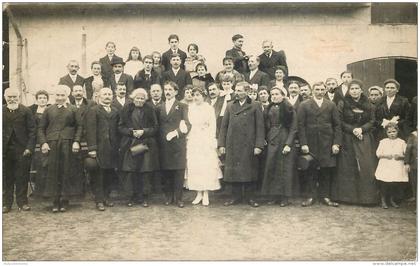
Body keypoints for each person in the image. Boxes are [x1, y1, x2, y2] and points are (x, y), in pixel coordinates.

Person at [218, 81, 265, 207]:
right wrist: (221, 144)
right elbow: (224, 126)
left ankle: (251, 198)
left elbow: (260, 127)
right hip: (233, 143)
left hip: (249, 144)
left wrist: (258, 145)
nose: (237, 93)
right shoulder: (229, 105)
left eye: (239, 91)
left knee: (250, 171)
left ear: (247, 91)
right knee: (235, 171)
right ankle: (235, 197)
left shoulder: (255, 105)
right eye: (236, 90)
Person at [332, 79, 378, 205]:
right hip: (348, 138)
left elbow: (372, 121)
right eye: (352, 89)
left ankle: (366, 199)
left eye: (357, 88)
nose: (354, 91)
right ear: (349, 90)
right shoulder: (342, 103)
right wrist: (353, 130)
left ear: (361, 90)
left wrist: (361, 129)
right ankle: (348, 198)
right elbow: (339, 121)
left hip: (364, 138)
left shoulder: (369, 104)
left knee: (366, 166)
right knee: (347, 167)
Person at [38, 85, 83, 212]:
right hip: (52, 144)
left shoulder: (73, 109)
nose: (60, 98)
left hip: (68, 143)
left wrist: (76, 142)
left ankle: (64, 200)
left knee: (66, 170)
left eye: (62, 95)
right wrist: (43, 143)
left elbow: (79, 126)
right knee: (53, 171)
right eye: (57, 95)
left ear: (67, 96)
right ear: (54, 96)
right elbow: (41, 128)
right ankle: (55, 200)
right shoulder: (48, 110)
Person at [297, 81, 342, 207]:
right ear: (312, 90)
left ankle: (326, 197)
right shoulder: (304, 105)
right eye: (317, 89)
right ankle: (310, 196)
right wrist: (303, 143)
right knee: (310, 170)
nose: (320, 92)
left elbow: (337, 125)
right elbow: (300, 126)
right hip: (311, 142)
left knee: (326, 170)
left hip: (327, 142)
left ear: (325, 90)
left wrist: (336, 143)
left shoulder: (331, 105)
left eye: (322, 89)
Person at [119, 88, 159, 207]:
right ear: (133, 98)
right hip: (129, 144)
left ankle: (143, 197)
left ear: (145, 99)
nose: (139, 100)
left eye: (142, 98)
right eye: (137, 98)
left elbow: (155, 127)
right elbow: (120, 127)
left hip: (146, 143)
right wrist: (131, 132)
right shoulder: (126, 108)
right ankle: (131, 197)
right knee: (131, 171)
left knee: (144, 171)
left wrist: (144, 131)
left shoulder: (150, 109)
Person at [157, 81, 191, 208]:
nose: (167, 92)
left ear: (176, 92)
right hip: (164, 144)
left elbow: (187, 124)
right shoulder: (160, 107)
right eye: (165, 89)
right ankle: (168, 196)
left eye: (170, 89)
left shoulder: (182, 106)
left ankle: (178, 198)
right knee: (166, 171)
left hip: (177, 144)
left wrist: (176, 133)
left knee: (178, 171)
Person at [261, 87, 297, 206]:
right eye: (272, 94)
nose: (274, 96)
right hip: (272, 138)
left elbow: (293, 127)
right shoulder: (269, 107)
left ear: (283, 95)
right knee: (272, 166)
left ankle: (285, 197)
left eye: (277, 94)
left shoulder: (288, 107)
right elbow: (265, 125)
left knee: (284, 168)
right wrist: (265, 138)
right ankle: (274, 195)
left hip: (284, 137)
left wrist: (288, 144)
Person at [186, 87, 221, 206]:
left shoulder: (209, 108)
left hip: (205, 139)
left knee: (206, 165)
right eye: (194, 95)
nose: (196, 97)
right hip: (194, 138)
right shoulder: (190, 108)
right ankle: (198, 193)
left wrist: (211, 140)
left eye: (198, 95)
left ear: (203, 96)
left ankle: (206, 193)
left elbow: (213, 126)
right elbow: (189, 123)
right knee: (195, 165)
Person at [85, 88, 119, 211]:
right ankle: (99, 200)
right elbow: (90, 130)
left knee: (109, 173)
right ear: (99, 96)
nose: (107, 96)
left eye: (109, 94)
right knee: (99, 174)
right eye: (105, 94)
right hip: (100, 147)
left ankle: (106, 197)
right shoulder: (94, 110)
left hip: (112, 147)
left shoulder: (115, 111)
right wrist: (92, 148)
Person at [3, 88, 36, 213]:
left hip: (22, 150)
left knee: (22, 177)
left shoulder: (25, 111)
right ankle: (7, 204)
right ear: (5, 97)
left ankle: (22, 203)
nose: (12, 99)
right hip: (5, 150)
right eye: (9, 97)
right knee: (7, 178)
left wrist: (29, 148)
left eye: (14, 97)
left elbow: (32, 131)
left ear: (19, 97)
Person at [375, 123, 408, 209]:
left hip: (397, 165)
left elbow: (407, 155)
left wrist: (400, 156)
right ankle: (383, 200)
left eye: (394, 131)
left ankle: (391, 199)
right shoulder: (383, 142)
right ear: (386, 133)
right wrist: (386, 155)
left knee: (394, 183)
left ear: (397, 131)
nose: (392, 134)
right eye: (389, 132)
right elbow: (378, 154)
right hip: (386, 164)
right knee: (385, 183)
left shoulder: (402, 142)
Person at [29, 90, 50, 195]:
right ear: (37, 100)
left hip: (49, 140)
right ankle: (38, 190)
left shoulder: (51, 109)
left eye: (44, 98)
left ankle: (48, 190)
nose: (42, 100)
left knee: (48, 164)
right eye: (40, 98)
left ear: (47, 99)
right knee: (38, 164)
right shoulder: (31, 110)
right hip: (37, 141)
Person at [405, 129, 417, 203]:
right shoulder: (413, 136)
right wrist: (407, 162)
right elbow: (408, 150)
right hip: (415, 163)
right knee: (415, 184)